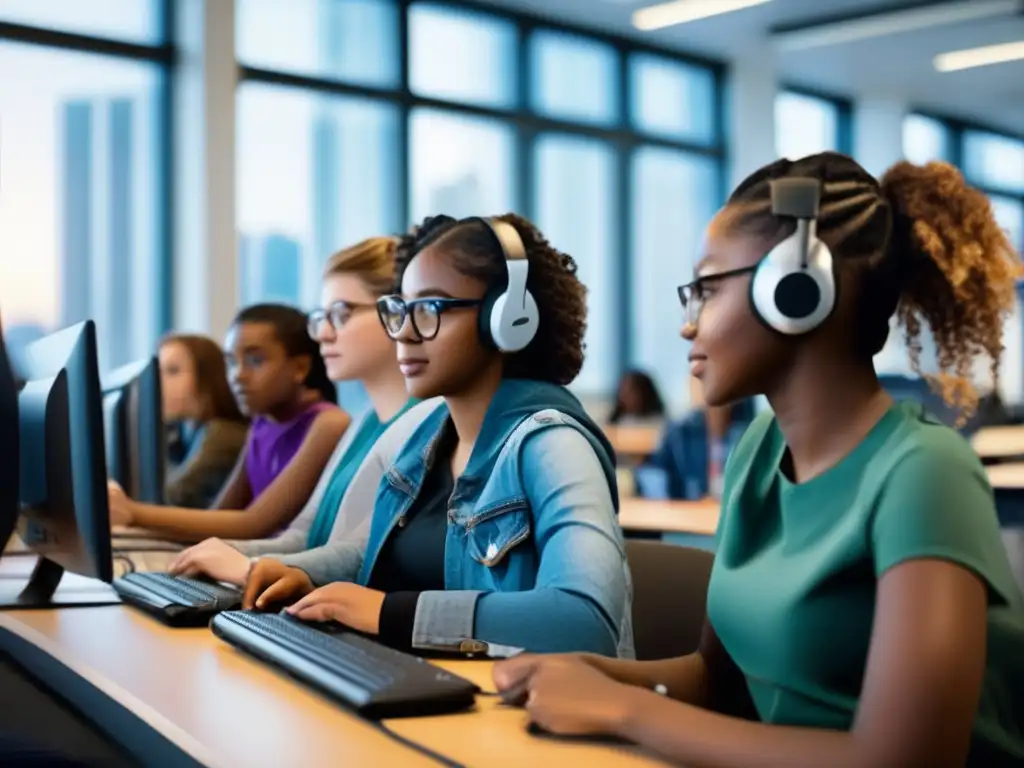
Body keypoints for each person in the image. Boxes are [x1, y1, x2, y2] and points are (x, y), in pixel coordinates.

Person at [492, 154, 1024, 766]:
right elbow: (721, 682)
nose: (689, 326)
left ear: (795, 290)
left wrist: (625, 709)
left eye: (707, 289)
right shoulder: (758, 451)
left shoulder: (923, 471)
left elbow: (905, 759)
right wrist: (594, 673)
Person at [243, 214, 633, 659]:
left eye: (430, 309)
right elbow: (376, 553)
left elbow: (584, 620)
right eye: (401, 309)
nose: (405, 333)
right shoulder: (425, 434)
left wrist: (392, 612)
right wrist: (303, 574)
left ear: (507, 319)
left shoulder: (552, 445)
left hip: (528, 712)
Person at [167, 237, 425, 584]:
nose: (324, 335)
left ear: (397, 311)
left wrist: (250, 567)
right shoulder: (364, 421)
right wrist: (215, 554)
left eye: (342, 315)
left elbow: (364, 554)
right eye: (322, 318)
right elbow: (303, 533)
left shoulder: (426, 421)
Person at [108, 304, 349, 543]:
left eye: (255, 360)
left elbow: (254, 523)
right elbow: (221, 515)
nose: (237, 375)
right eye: (232, 362)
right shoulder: (261, 424)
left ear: (300, 368)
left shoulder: (327, 423)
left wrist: (132, 512)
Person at [159, 333, 249, 508]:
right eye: (158, 372)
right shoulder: (183, 431)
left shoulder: (223, 433)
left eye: (172, 371)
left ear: (207, 376)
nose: (158, 382)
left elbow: (172, 496)